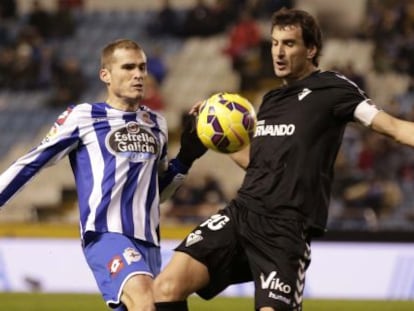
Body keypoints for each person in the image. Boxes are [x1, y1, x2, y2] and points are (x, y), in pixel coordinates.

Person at [153, 8, 414, 311]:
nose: (278, 52)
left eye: (289, 44)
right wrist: (214, 133)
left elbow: (393, 127)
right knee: (166, 287)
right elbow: (258, 163)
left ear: (311, 49)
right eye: (275, 43)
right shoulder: (271, 100)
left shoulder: (333, 89)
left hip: (285, 229)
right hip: (242, 213)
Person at [0, 39, 206, 311]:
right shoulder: (83, 116)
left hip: (149, 241)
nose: (139, 74)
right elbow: (32, 162)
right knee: (144, 300)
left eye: (142, 67)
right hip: (106, 235)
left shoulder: (157, 123)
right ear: (105, 75)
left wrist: (186, 159)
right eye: (129, 67)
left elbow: (157, 193)